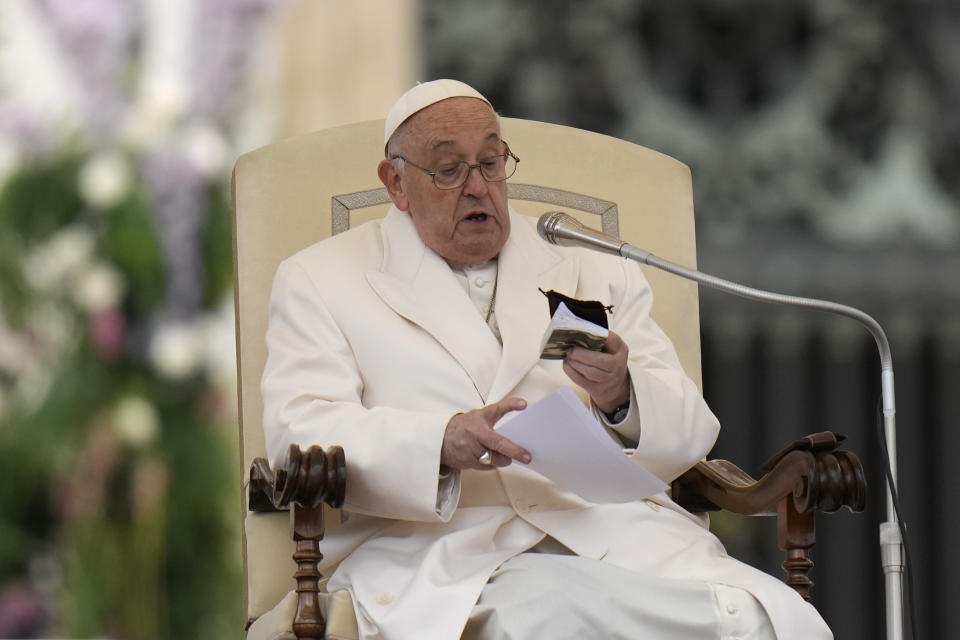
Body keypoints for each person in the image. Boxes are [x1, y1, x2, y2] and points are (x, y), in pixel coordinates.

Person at [261, 79, 832, 640]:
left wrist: (622, 396)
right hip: (450, 554)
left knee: (768, 620)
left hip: (610, 533)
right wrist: (439, 441)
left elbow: (690, 430)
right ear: (396, 183)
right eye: (449, 170)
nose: (478, 187)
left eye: (490, 162)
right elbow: (299, 431)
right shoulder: (321, 278)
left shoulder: (585, 259)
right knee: (545, 615)